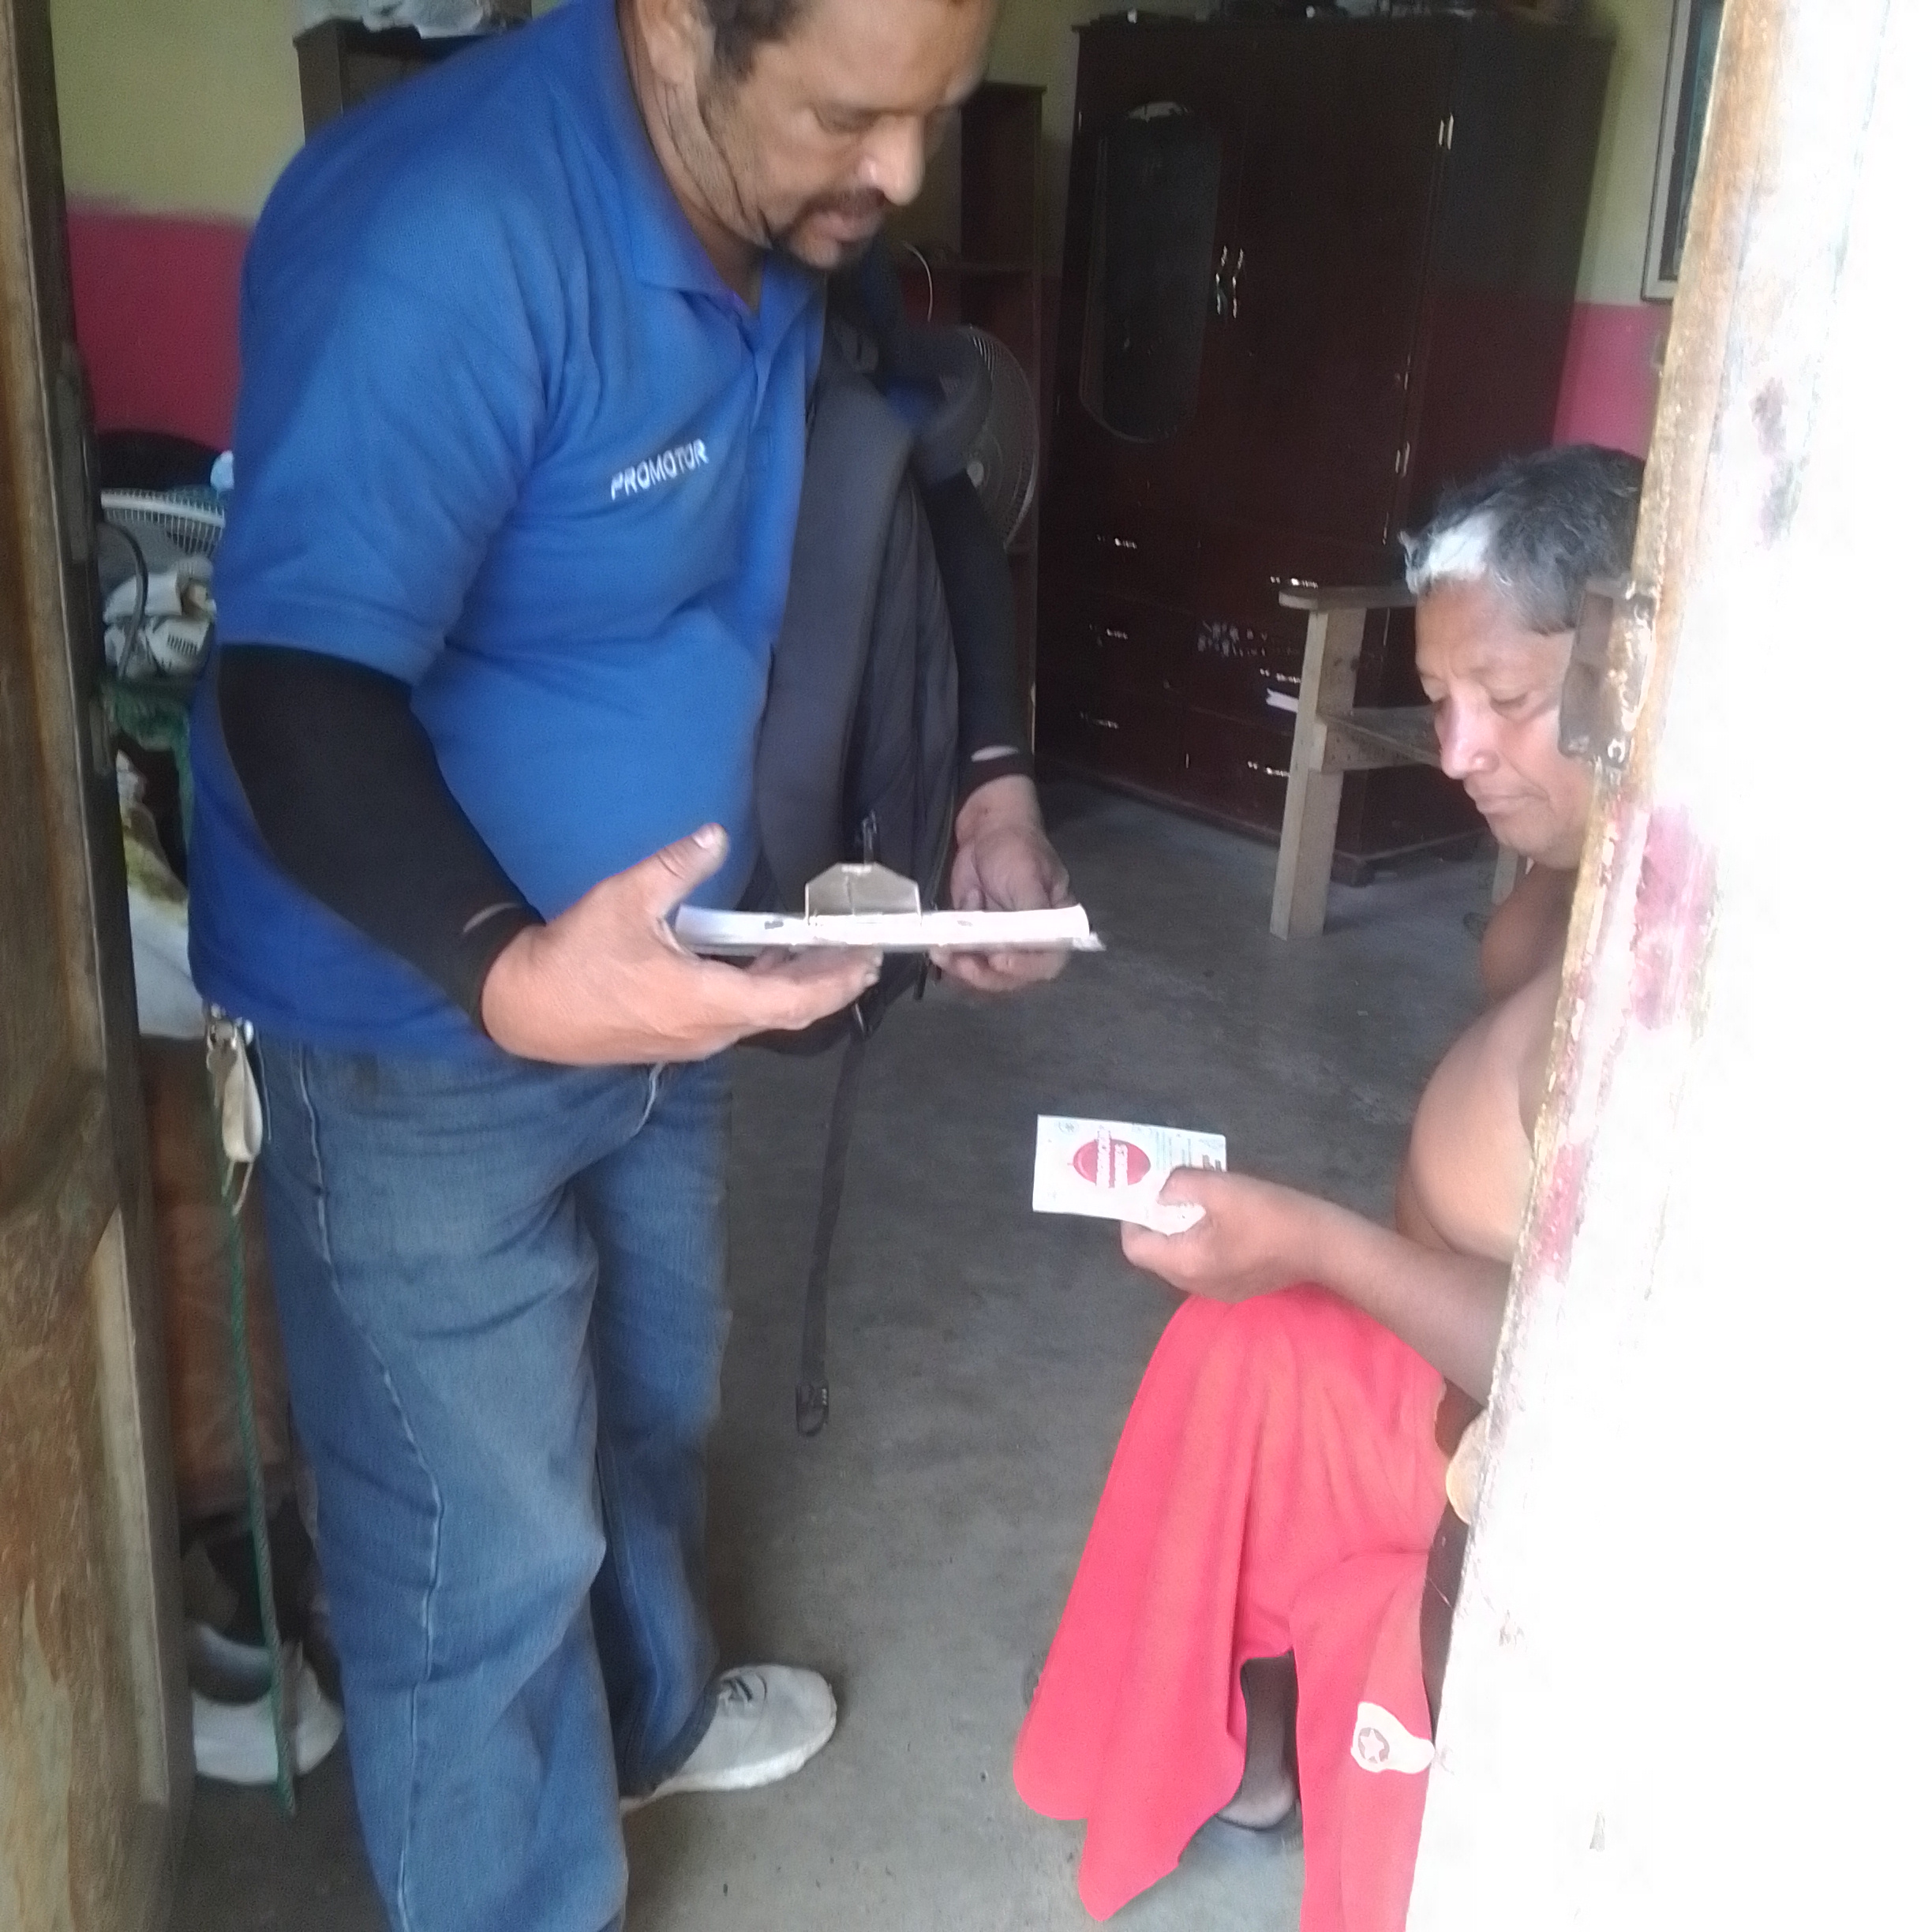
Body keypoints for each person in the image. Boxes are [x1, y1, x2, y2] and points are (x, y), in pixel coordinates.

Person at [186, 2, 1068, 1929]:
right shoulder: (454, 235)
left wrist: (989, 783)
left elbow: (923, 466)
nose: (902, 171)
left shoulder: (802, 203)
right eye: (853, 114)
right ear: (681, 21)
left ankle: (646, 1722)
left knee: (655, 1396)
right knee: (478, 1540)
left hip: (670, 978)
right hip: (415, 1017)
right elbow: (294, 684)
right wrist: (512, 972)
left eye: (934, 114)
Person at [1012, 445, 1646, 1928]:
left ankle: (1262, 1725)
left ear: (1629, 661)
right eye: (1438, 697)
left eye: (1507, 697)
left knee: (1271, 1320)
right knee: (1234, 1349)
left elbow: (1565, 1380)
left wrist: (1313, 1238)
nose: (1459, 750)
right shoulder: (1578, 864)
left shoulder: (1658, 978)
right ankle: (1233, 1748)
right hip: (1439, 1374)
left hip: (1499, 1456)